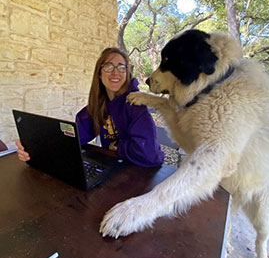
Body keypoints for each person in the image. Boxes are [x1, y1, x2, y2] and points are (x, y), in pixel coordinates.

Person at [16, 47, 164, 168]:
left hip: (140, 175)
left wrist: (118, 145)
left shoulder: (135, 103)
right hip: (113, 171)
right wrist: (36, 147)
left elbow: (149, 154)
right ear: (99, 74)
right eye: (109, 66)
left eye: (121, 67)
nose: (115, 72)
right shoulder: (99, 104)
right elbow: (74, 137)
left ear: (127, 72)